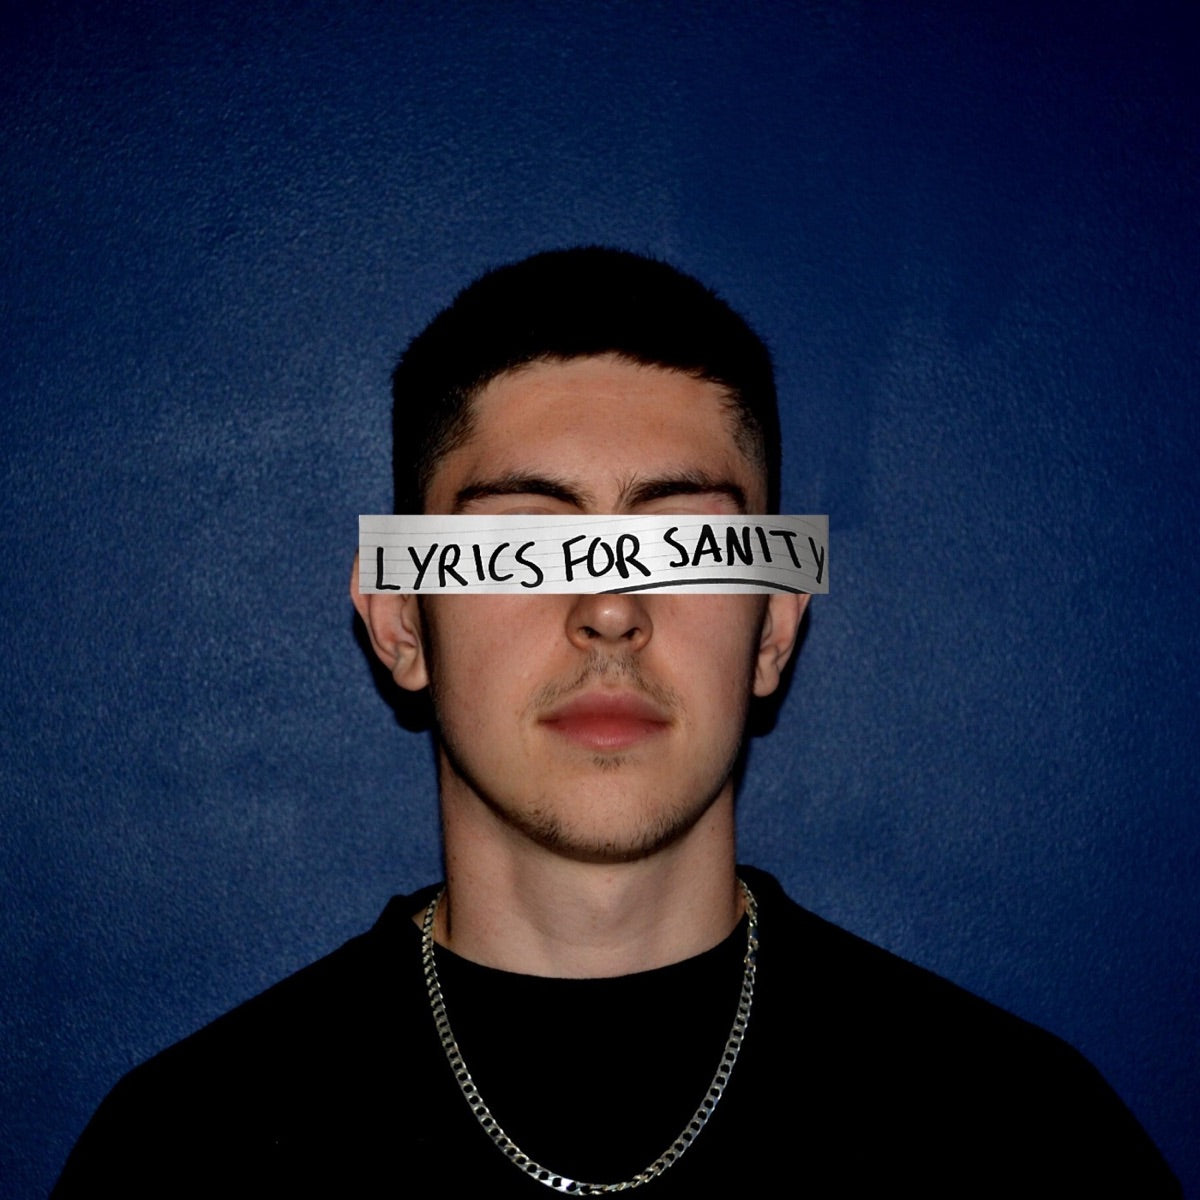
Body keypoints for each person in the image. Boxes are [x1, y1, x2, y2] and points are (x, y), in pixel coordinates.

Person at [54, 248, 1179, 1196]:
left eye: (688, 543)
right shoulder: (179, 1156)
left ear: (774, 626)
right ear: (400, 618)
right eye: (521, 543)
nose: (609, 607)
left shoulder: (1031, 1143)